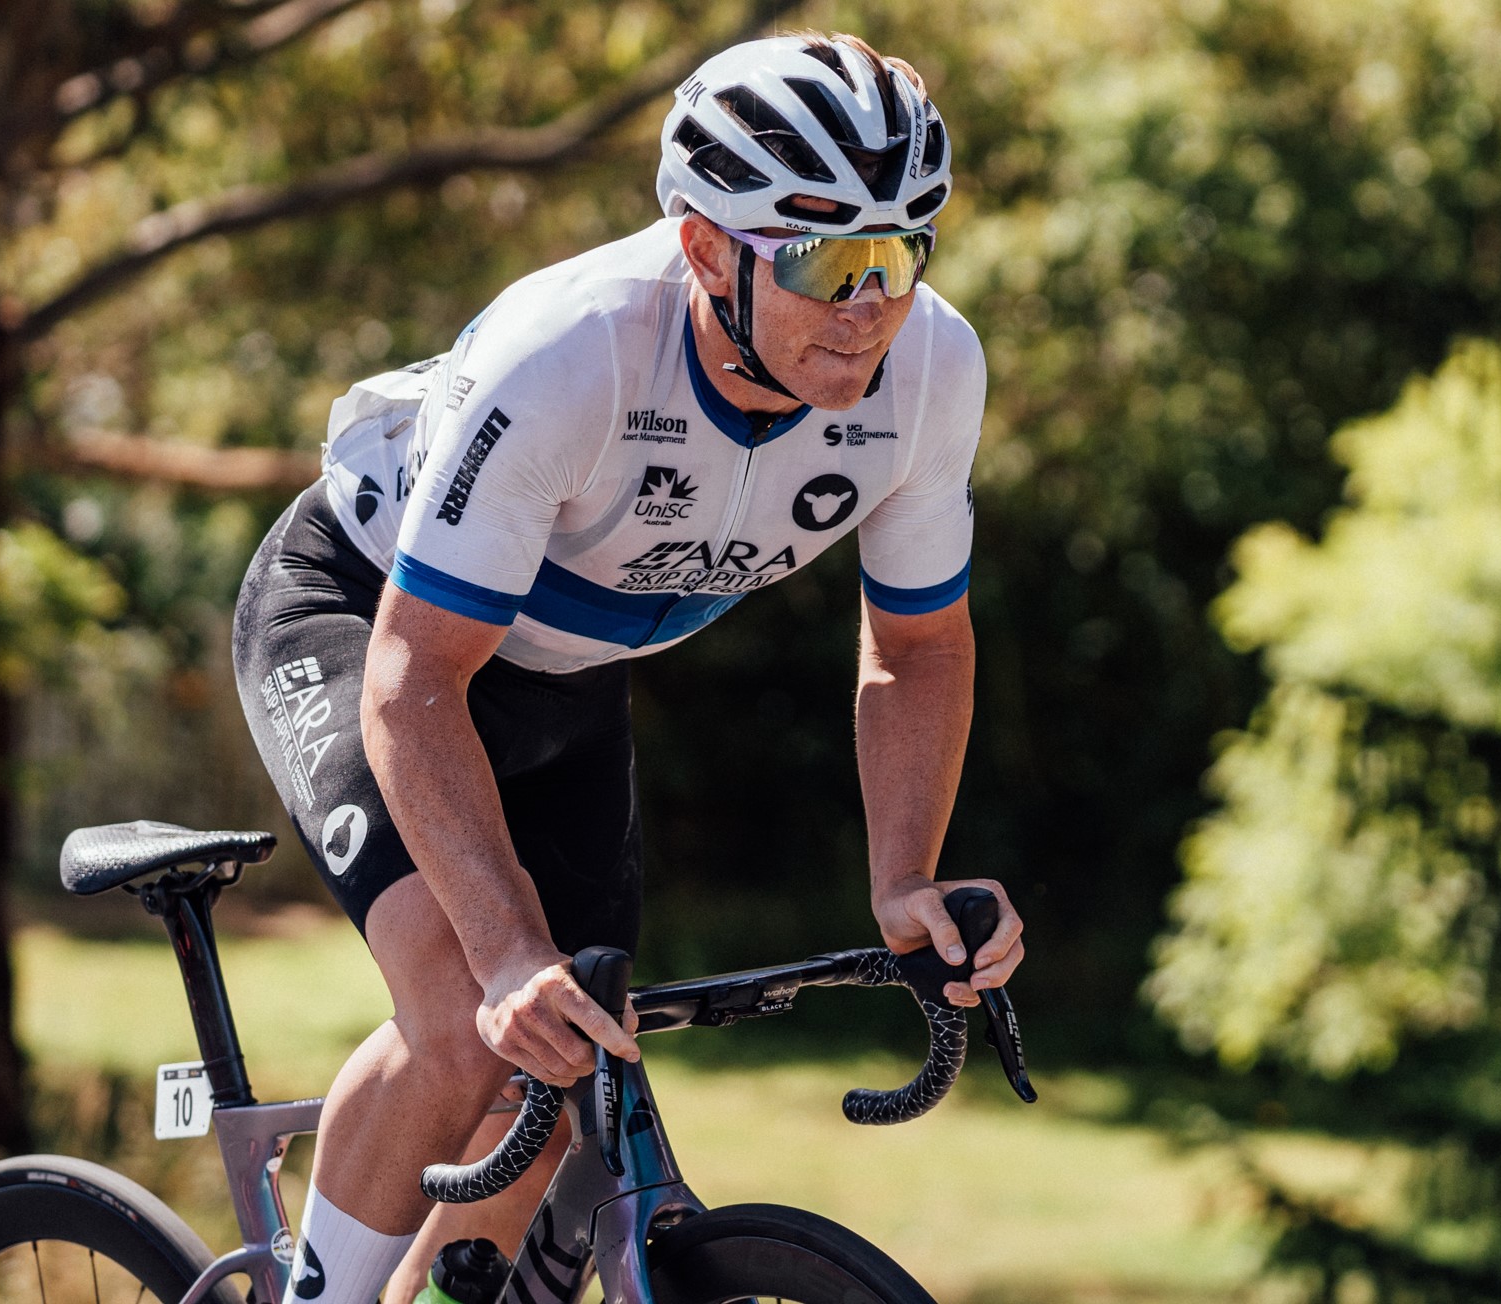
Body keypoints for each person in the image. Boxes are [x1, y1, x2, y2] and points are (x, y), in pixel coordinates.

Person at [233, 30, 1026, 1303]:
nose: (870, 301)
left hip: (567, 678)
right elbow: (414, 678)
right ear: (707, 246)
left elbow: (918, 644)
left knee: (572, 1050)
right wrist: (498, 951)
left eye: (902, 250)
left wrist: (904, 878)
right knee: (468, 1017)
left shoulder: (930, 371)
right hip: (376, 624)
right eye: (828, 257)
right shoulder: (575, 352)